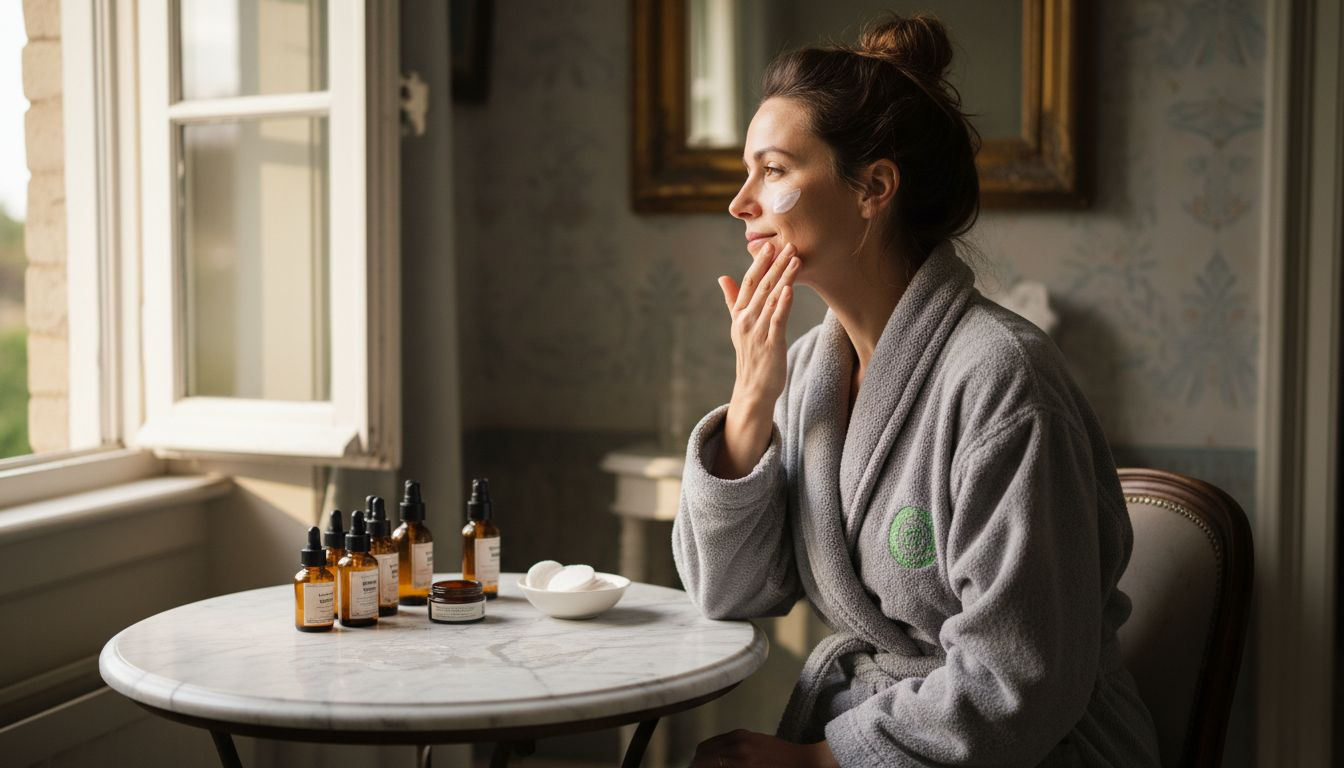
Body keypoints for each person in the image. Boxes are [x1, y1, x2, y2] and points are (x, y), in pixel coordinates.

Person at [672, 14, 1162, 768]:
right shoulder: (808, 371)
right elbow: (726, 593)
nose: (741, 202)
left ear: (873, 188)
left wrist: (815, 762)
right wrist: (751, 401)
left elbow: (1017, 682)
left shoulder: (1003, 379)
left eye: (772, 171)